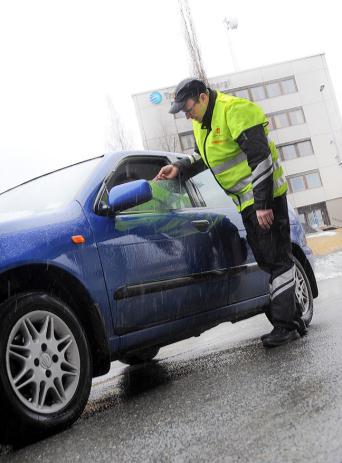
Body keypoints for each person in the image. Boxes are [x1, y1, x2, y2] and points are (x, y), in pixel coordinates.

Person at [155, 78, 307, 348]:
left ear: (202, 97)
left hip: (264, 198)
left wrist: (262, 204)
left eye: (187, 107)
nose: (185, 113)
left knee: (275, 260)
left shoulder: (233, 110)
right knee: (269, 259)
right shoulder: (202, 123)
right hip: (247, 203)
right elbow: (204, 156)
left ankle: (286, 325)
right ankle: (294, 320)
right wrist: (179, 167)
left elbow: (261, 158)